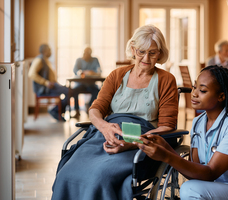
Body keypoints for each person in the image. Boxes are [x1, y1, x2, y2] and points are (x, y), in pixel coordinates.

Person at [51, 24, 178, 200]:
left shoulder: (166, 80)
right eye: (141, 51)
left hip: (143, 142)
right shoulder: (117, 75)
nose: (146, 58)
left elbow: (166, 127)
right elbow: (95, 109)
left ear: (160, 53)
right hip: (107, 133)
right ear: (133, 49)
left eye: (153, 52)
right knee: (67, 173)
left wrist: (132, 142)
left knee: (100, 177)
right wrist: (104, 127)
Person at [134, 65, 228, 200]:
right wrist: (166, 147)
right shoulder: (198, 122)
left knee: (190, 189)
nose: (194, 93)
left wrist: (166, 156)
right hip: (215, 190)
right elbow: (195, 172)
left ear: (221, 96)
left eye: (203, 91)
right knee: (192, 186)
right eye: (194, 87)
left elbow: (210, 172)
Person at [28, 44, 71, 121]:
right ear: (44, 51)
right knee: (69, 91)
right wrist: (46, 83)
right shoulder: (39, 60)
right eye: (49, 50)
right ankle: (55, 111)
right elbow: (31, 74)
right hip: (44, 89)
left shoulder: (45, 60)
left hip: (52, 86)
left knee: (68, 90)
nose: (51, 52)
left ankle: (58, 111)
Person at [72, 47, 102, 117]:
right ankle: (76, 111)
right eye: (84, 53)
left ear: (90, 54)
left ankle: (89, 105)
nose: (86, 55)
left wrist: (92, 73)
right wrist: (81, 72)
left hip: (91, 84)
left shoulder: (95, 60)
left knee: (98, 91)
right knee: (74, 91)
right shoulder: (79, 60)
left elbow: (99, 71)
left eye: (88, 53)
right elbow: (75, 70)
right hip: (80, 84)